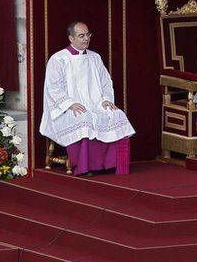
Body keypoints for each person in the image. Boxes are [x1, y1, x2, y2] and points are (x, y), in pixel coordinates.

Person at [39, 21, 135, 176]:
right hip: (68, 108)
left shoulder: (95, 58)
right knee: (84, 117)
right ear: (71, 38)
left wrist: (106, 100)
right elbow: (53, 88)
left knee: (116, 114)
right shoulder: (58, 59)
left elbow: (106, 82)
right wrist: (70, 104)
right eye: (81, 36)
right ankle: (85, 166)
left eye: (88, 35)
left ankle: (111, 164)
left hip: (96, 103)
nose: (86, 39)